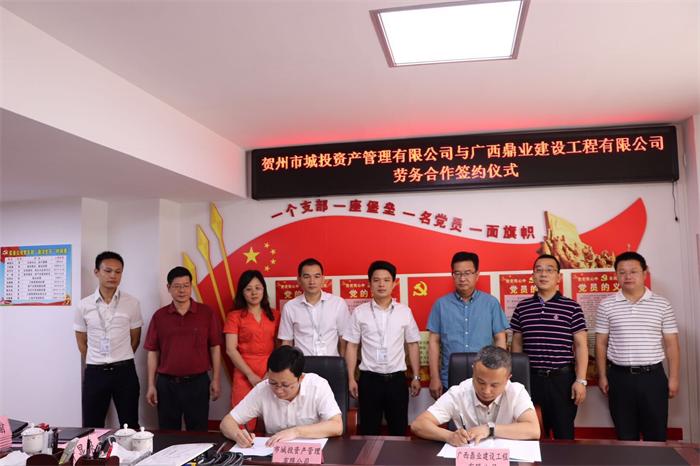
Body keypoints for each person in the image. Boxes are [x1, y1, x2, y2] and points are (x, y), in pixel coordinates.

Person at [595, 251, 680, 441]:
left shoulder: (662, 304)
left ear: (645, 273)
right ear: (616, 275)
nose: (628, 276)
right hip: (619, 378)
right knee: (625, 435)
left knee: (656, 434)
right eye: (622, 272)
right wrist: (602, 376)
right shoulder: (606, 305)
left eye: (633, 271)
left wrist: (674, 378)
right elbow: (600, 344)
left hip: (653, 378)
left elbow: (672, 344)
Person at [510, 254, 588, 439]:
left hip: (562, 380)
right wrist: (517, 379)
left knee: (564, 435)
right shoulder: (523, 307)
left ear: (558, 277)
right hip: (531, 380)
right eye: (539, 270)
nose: (543, 274)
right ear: (533, 276)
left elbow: (581, 345)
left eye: (549, 270)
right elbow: (517, 343)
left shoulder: (572, 307)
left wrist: (581, 380)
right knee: (532, 434)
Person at [343, 260, 421, 436]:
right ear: (370, 283)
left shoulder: (404, 311)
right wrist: (351, 378)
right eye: (376, 280)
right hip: (369, 380)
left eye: (386, 280)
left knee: (399, 430)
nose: (381, 284)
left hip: (397, 380)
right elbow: (352, 346)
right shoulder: (360, 312)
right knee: (368, 431)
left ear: (394, 283)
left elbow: (412, 344)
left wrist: (416, 376)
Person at [144, 266, 223, 431]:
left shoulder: (206, 313)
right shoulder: (159, 316)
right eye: (177, 286)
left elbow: (215, 347)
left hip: (198, 384)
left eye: (186, 285)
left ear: (191, 286)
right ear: (168, 288)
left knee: (198, 432)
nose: (182, 290)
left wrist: (216, 379)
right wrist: (151, 384)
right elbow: (153, 352)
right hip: (167, 385)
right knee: (168, 433)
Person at [411, 345, 540, 445]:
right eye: (480, 382)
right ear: (473, 371)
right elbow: (419, 424)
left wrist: (490, 429)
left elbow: (534, 430)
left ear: (507, 379)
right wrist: (449, 436)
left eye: (494, 385)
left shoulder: (516, 391)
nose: (486, 391)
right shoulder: (458, 393)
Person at [220, 345, 343, 446]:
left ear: (301, 378)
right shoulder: (263, 389)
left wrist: (296, 432)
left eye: (285, 385)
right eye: (273, 383)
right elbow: (227, 422)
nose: (278, 390)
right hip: (274, 455)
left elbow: (337, 426)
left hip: (311, 454)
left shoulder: (318, 386)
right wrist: (237, 435)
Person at [74, 251, 143, 428]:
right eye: (108, 270)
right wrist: (96, 360)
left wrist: (120, 357)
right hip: (95, 372)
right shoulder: (83, 305)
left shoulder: (132, 303)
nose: (113, 275)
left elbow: (135, 339)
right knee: (92, 425)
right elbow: (81, 342)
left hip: (125, 371)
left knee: (130, 424)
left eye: (118, 272)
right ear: (96, 272)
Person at [427, 251, 509, 399]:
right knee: (453, 415)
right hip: (450, 378)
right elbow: (433, 342)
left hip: (486, 379)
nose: (462, 278)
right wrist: (434, 377)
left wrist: (500, 373)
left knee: (485, 415)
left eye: (467, 273)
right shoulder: (441, 304)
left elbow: (500, 339)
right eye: (457, 273)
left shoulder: (491, 303)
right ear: (452, 275)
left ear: (477, 275)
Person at [224, 270, 280, 430]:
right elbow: (230, 349)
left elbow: (280, 347)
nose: (254, 293)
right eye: (248, 289)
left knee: (275, 417)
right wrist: (250, 375)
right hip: (244, 372)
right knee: (242, 422)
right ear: (242, 292)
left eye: (258, 288)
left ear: (264, 290)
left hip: (271, 371)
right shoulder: (234, 316)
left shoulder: (275, 315)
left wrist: (271, 372)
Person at [278, 258, 350, 356]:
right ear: (299, 280)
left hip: (330, 363)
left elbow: (343, 340)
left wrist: (343, 363)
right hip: (302, 363)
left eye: (316, 276)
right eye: (306, 277)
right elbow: (287, 342)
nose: (312, 281)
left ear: (323, 279)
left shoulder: (337, 303)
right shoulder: (290, 307)